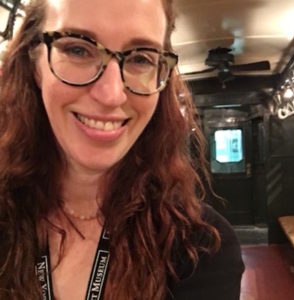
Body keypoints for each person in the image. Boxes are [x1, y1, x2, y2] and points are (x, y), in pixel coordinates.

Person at [0, 0, 244, 299]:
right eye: (78, 49)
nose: (112, 94)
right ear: (34, 64)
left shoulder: (200, 249)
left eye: (141, 58)